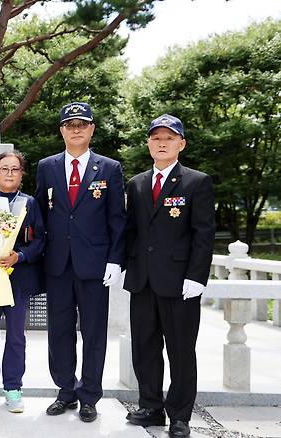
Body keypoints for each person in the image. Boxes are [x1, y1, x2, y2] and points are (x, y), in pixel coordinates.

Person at [123, 114, 215, 438]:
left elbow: (204, 234)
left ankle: (179, 415)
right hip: (143, 280)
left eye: (169, 137)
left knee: (180, 350)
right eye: (156, 137)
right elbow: (130, 231)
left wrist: (197, 277)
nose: (162, 143)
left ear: (181, 143)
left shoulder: (196, 182)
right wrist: (116, 263)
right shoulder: (136, 183)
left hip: (180, 283)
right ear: (148, 144)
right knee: (145, 347)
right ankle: (150, 405)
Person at [35, 102, 126, 422]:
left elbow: (117, 219)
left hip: (94, 266)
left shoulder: (110, 168)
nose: (76, 129)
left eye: (82, 124)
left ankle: (89, 395)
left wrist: (116, 260)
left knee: (94, 332)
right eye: (70, 124)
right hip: (58, 265)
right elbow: (41, 217)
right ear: (61, 130)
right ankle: (65, 390)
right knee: (59, 331)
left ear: (91, 129)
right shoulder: (46, 166)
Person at [0, 151, 45, 414]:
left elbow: (39, 241)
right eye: (4, 169)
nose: (9, 174)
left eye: (15, 169)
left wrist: (20, 256)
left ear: (22, 174)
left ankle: (13, 387)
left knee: (16, 336)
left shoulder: (30, 204)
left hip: (18, 280)